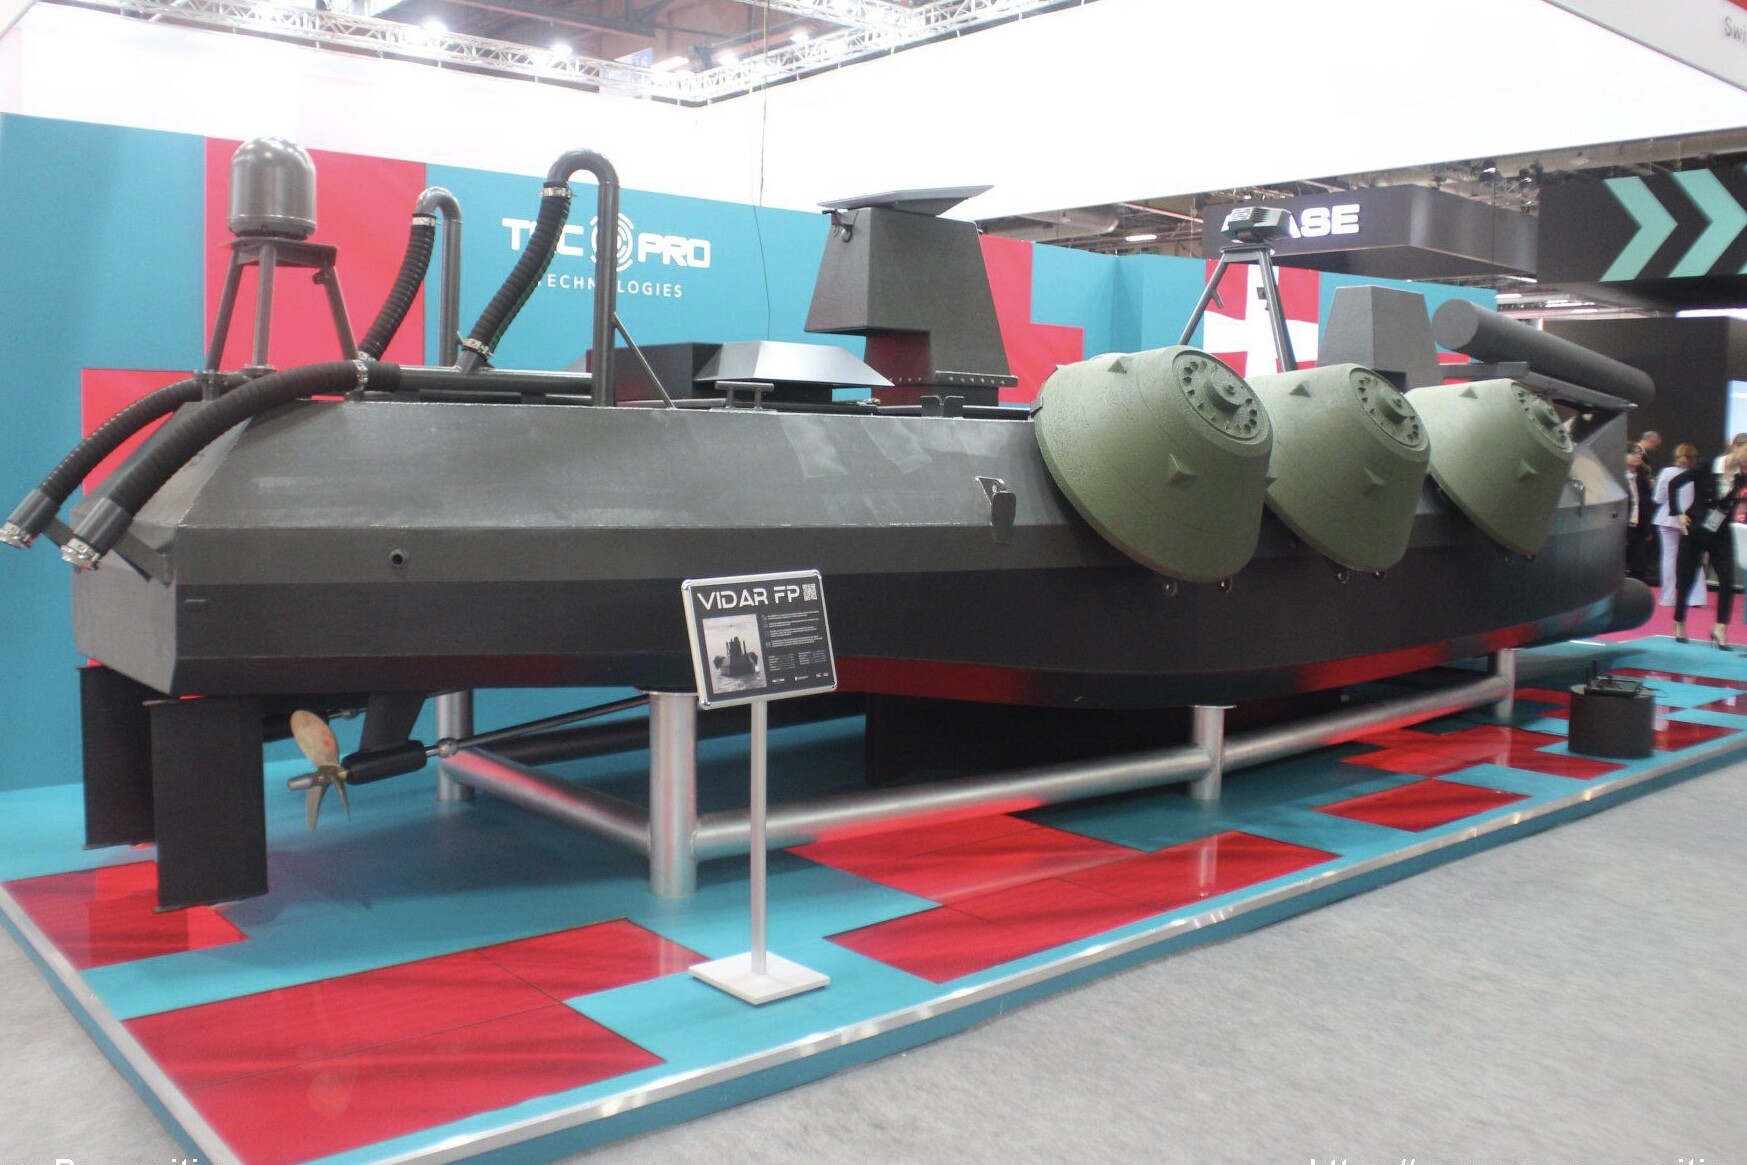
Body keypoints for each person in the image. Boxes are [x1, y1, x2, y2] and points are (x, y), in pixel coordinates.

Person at [1670, 447, 1746, 647]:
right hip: (1695, 530)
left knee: (1727, 580)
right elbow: (1674, 484)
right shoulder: (1707, 466)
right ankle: (1679, 621)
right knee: (1686, 579)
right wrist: (1678, 513)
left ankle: (1720, 627)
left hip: (1721, 533)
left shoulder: (1741, 476)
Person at [1652, 443, 1707, 609]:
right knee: (1694, 558)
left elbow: (1658, 498)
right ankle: (1696, 598)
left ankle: (1667, 598)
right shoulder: (1699, 473)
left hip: (1668, 518)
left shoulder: (1667, 472)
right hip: (1690, 519)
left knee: (1669, 558)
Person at [1625, 442, 1656, 581]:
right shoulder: (1616, 477)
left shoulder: (1641, 478)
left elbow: (1645, 505)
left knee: (1641, 566)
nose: (1638, 456)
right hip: (1621, 527)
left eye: (1639, 453)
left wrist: (1647, 529)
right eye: (1633, 453)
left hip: (1638, 527)